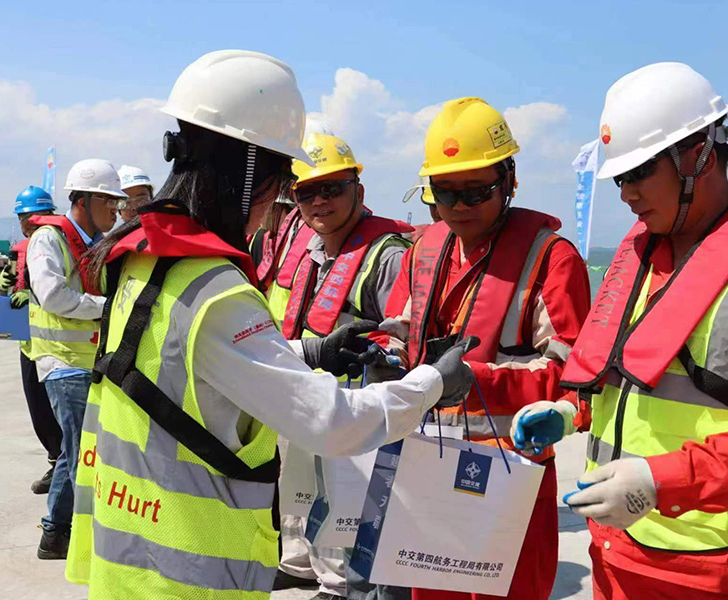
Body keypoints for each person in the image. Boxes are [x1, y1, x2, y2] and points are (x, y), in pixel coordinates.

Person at [64, 49, 477, 600]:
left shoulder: (139, 262)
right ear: (254, 172)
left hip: (126, 560)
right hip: (191, 576)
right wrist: (433, 384)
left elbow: (185, 364)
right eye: (291, 185)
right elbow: (334, 423)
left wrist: (308, 354)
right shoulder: (216, 288)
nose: (294, 202)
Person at [515, 62, 728, 600]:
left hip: (714, 568)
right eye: (620, 178)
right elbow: (627, 381)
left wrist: (660, 481)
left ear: (699, 155)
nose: (627, 193)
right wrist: (570, 412)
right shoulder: (639, 259)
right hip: (616, 554)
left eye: (641, 172)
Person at [382, 97, 591, 600]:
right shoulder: (424, 251)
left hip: (508, 472)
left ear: (510, 180)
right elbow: (397, 330)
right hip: (427, 465)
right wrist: (380, 357)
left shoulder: (551, 259)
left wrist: (479, 380)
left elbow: (575, 380)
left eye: (476, 192)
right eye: (443, 194)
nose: (458, 208)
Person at [279, 132, 413, 600]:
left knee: (347, 505)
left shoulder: (387, 255)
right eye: (306, 192)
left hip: (359, 411)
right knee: (308, 493)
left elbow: (407, 340)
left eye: (332, 187)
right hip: (311, 399)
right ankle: (311, 571)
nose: (319, 200)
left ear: (358, 188)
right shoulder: (311, 251)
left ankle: (340, 588)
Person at [26, 159, 125, 559]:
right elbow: (52, 295)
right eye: (109, 202)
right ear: (84, 199)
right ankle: (55, 533)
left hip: (92, 360)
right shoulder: (49, 239)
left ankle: (77, 526)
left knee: (89, 449)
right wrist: (108, 306)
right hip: (63, 362)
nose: (116, 211)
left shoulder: (93, 242)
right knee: (77, 448)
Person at [0, 185, 63, 494]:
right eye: (22, 217)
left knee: (64, 412)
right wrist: (6, 288)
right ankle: (56, 462)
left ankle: (67, 467)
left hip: (60, 345)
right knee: (39, 410)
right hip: (29, 342)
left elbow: (60, 290)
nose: (26, 222)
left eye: (31, 216)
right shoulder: (21, 249)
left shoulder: (63, 242)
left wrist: (33, 296)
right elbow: (9, 295)